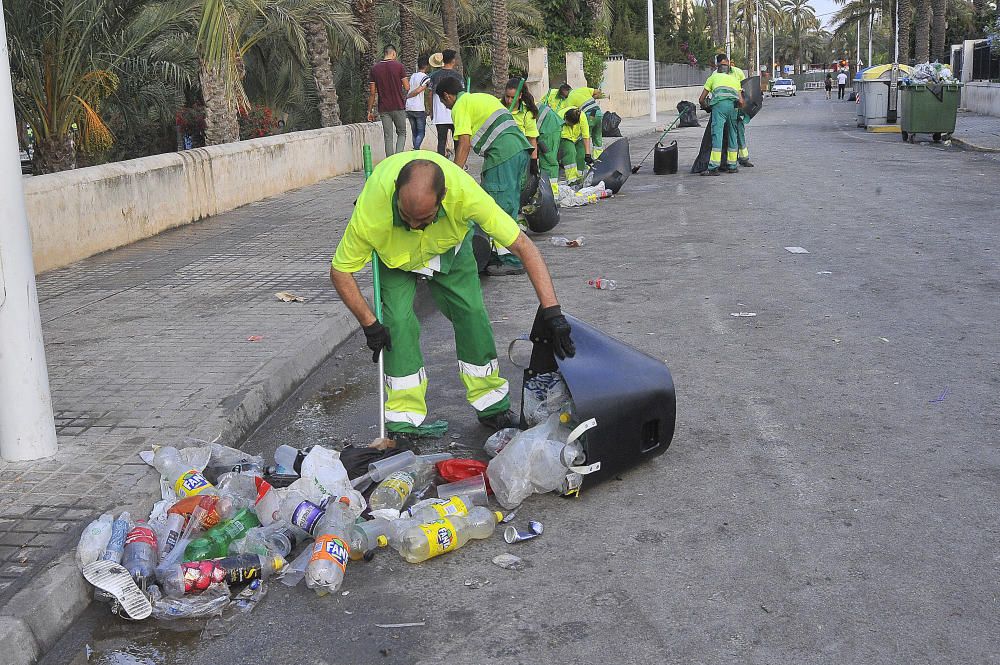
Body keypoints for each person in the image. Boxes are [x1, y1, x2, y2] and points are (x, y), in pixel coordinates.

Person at [329, 153, 575, 437]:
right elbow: (340, 272)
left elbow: (522, 245)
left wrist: (552, 312)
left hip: (449, 249)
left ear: (443, 197)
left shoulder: (465, 193)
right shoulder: (372, 211)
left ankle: (491, 405)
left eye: (423, 219)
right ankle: (403, 421)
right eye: (406, 217)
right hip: (394, 258)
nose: (413, 226)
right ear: (396, 191)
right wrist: (369, 323)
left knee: (471, 314)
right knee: (396, 324)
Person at [436, 75, 533, 275]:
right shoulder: (481, 98)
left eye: (443, 103)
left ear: (447, 96)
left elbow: (464, 142)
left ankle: (510, 259)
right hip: (519, 151)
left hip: (502, 156)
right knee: (509, 204)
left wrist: (454, 174)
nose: (445, 107)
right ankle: (502, 255)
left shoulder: (460, 106)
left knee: (497, 208)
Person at [697, 53, 744, 176]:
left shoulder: (713, 78)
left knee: (717, 135)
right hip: (733, 108)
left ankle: (713, 167)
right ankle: (732, 166)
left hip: (719, 107)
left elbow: (701, 99)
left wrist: (706, 106)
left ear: (717, 68)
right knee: (733, 135)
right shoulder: (735, 79)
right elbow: (741, 101)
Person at [368, 45, 409, 156]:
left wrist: (369, 111)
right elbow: (407, 87)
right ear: (394, 53)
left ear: (385, 53)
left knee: (388, 136)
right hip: (398, 105)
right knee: (402, 133)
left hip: (384, 108)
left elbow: (372, 92)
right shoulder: (399, 66)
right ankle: (398, 158)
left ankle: (390, 161)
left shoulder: (374, 69)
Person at [428, 50, 463, 157]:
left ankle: (441, 163)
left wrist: (431, 111)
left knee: (441, 141)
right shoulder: (458, 77)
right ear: (453, 60)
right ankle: (459, 164)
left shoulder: (434, 76)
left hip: (439, 115)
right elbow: (462, 96)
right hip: (455, 114)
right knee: (457, 141)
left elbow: (429, 95)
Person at [502, 79, 540, 177]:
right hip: (500, 154)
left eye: (512, 97)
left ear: (520, 96)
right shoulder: (497, 107)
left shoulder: (527, 113)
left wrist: (534, 160)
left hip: (518, 155)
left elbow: (532, 139)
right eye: (507, 96)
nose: (509, 101)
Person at [565, 86, 605, 156]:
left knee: (585, 136)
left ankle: (585, 158)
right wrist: (592, 99)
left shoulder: (569, 98)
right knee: (597, 136)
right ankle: (599, 157)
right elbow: (598, 92)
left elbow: (570, 112)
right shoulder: (582, 89)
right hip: (597, 112)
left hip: (590, 115)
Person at [728, 63, 754, 168]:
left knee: (740, 133)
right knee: (730, 135)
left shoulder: (737, 72)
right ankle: (730, 161)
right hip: (728, 107)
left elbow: (745, 87)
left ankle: (743, 159)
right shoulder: (717, 73)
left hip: (738, 106)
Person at [558, 107, 593, 185]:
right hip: (565, 138)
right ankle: (572, 181)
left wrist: (587, 154)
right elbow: (555, 135)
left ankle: (580, 179)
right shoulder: (559, 116)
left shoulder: (582, 117)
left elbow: (586, 136)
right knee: (570, 153)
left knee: (581, 155)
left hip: (577, 137)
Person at [405, 55, 432, 150]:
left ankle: (415, 151)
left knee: (414, 132)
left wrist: (407, 97)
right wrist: (408, 96)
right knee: (421, 132)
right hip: (418, 108)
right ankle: (416, 149)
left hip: (409, 107)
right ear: (426, 66)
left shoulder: (413, 76)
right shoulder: (426, 78)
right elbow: (418, 91)